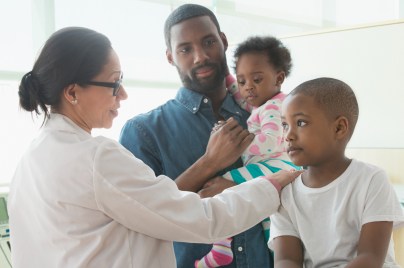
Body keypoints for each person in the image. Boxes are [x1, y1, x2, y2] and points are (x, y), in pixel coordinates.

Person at [8, 26, 304, 268]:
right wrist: (272, 184)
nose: (122, 94)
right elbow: (200, 218)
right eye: (114, 83)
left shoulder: (28, 162)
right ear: (72, 92)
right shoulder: (97, 157)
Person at [119, 4, 275, 268]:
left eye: (209, 42)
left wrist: (246, 190)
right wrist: (209, 163)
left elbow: (307, 183)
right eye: (185, 49)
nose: (200, 56)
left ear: (224, 41)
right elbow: (140, 219)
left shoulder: (266, 114)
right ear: (170, 57)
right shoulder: (143, 132)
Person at [269, 77, 404, 267]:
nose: (288, 135)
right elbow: (286, 260)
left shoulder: (372, 180)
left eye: (300, 123)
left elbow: (370, 258)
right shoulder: (285, 194)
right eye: (285, 125)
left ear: (339, 128)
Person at [195, 36, 300, 268]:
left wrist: (237, 147)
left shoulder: (275, 106)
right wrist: (226, 73)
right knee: (268, 222)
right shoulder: (262, 103)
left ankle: (221, 247)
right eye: (243, 81)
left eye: (257, 79)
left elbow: (271, 141)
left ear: (279, 78)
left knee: (220, 187)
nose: (247, 87)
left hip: (275, 165)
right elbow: (236, 92)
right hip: (271, 167)